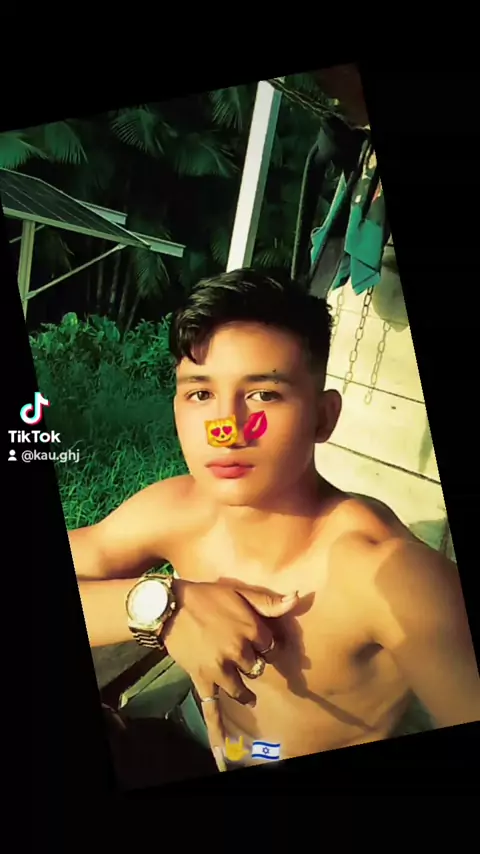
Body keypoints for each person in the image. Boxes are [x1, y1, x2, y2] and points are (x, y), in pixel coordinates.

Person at [71, 269, 480, 777]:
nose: (226, 430)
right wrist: (162, 609)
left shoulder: (389, 576)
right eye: (201, 394)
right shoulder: (178, 510)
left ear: (323, 418)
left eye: (263, 394)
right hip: (187, 737)